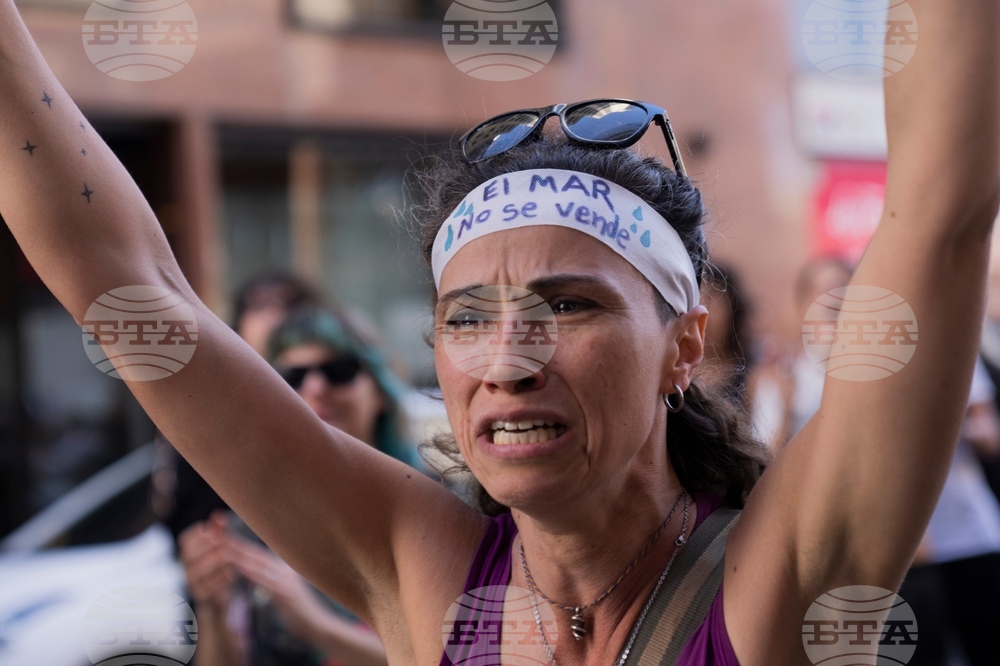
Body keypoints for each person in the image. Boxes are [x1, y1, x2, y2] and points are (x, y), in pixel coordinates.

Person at [1, 0, 998, 661]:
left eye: (568, 306)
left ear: (683, 345)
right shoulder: (417, 566)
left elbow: (938, 219)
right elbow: (127, 284)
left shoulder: (785, 570)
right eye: (465, 318)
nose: (507, 362)